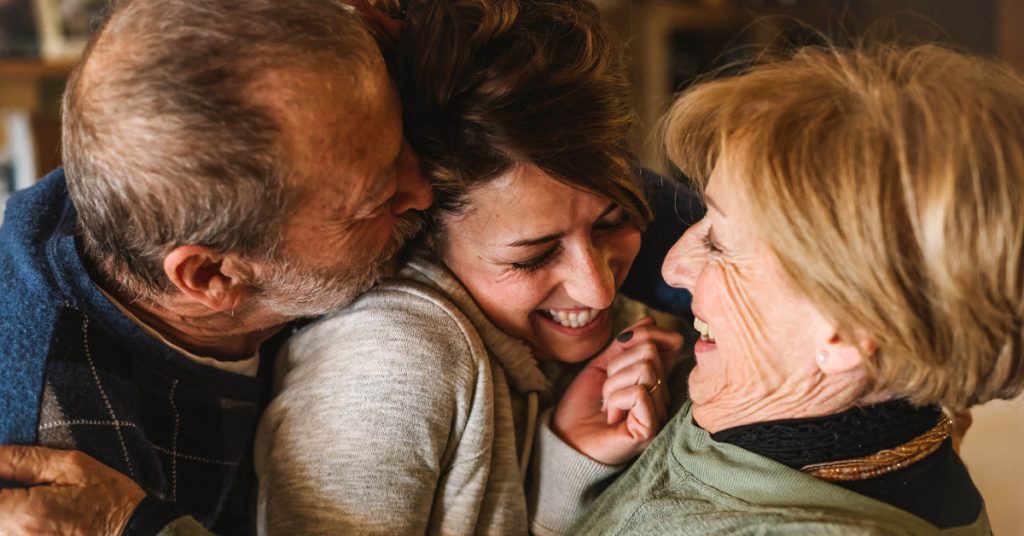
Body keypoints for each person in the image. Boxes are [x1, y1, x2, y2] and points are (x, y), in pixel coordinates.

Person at [254, 1, 698, 534]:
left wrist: (569, 468)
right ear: (419, 225)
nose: (598, 290)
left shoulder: (610, 332)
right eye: (533, 256)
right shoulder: (388, 364)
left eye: (615, 220)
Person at [0, 0, 433, 534]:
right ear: (212, 277)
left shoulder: (159, 167)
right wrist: (138, 525)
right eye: (379, 198)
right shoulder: (60, 466)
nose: (425, 190)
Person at [574, 43, 1024, 534]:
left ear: (849, 333)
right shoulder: (887, 402)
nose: (673, 266)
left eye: (718, 242)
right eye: (702, 216)